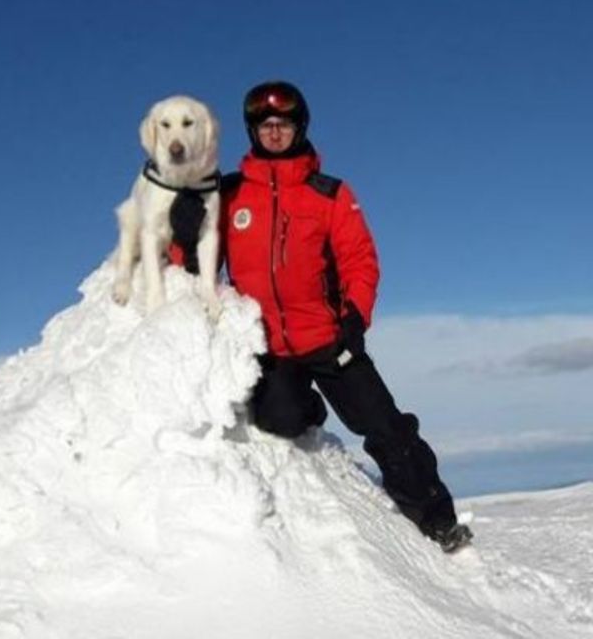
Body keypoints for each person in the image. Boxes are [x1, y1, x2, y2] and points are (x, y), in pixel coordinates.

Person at [173, 81, 472, 552]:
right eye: (265, 126)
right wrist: (184, 230)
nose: (274, 134)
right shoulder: (228, 195)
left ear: (300, 127)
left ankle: (440, 524)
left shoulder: (328, 193)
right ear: (253, 132)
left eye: (283, 125)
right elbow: (190, 261)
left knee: (388, 430)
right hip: (269, 347)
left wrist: (354, 320)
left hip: (331, 339)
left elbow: (360, 261)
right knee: (281, 421)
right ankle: (305, 405)